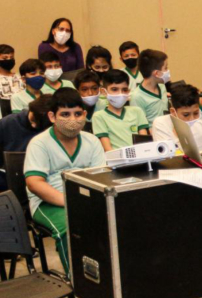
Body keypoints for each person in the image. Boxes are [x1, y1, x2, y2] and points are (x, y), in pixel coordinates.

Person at [25, 88, 106, 275]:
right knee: (71, 226)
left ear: (85, 115)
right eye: (65, 114)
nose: (73, 119)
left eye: (78, 114)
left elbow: (100, 177)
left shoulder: (92, 141)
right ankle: (77, 282)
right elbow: (34, 183)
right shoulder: (39, 143)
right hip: (47, 203)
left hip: (86, 198)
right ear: (52, 116)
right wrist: (68, 201)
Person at [0, 95, 53, 191]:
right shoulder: (7, 123)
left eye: (39, 124)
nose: (34, 125)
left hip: (43, 178)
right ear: (31, 109)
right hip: (9, 179)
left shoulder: (51, 129)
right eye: (33, 119)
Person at [92, 70, 149, 151]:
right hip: (117, 161)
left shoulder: (137, 111)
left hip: (141, 159)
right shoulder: (99, 116)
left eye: (124, 90)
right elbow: (108, 149)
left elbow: (145, 144)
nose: (120, 93)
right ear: (103, 92)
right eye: (114, 89)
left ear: (129, 91)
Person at [152, 84, 202, 152]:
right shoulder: (161, 124)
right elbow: (167, 156)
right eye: (186, 115)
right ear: (173, 112)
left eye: (196, 113)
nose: (192, 119)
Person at [131, 49, 170, 123]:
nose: (168, 71)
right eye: (165, 68)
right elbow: (139, 125)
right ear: (157, 73)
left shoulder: (162, 87)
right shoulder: (137, 97)